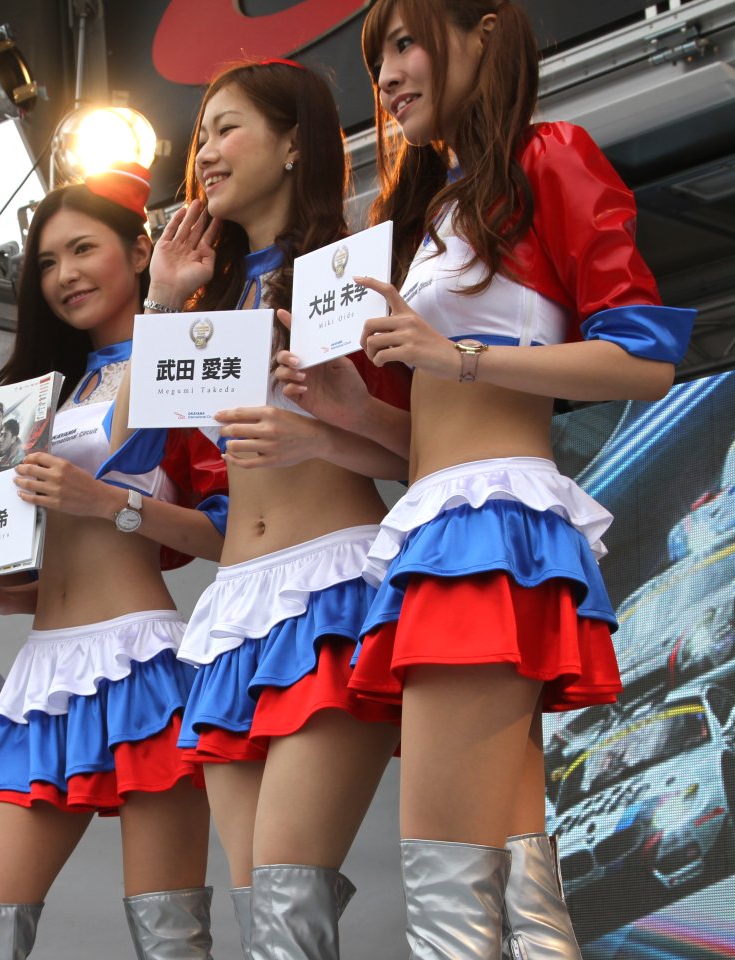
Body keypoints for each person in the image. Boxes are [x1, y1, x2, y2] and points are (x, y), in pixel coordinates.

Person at [337, 1, 696, 956]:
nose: (388, 77)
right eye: (378, 59)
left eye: (404, 44)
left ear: (484, 34)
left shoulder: (549, 158)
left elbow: (643, 360)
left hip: (491, 526)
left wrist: (458, 356)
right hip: (438, 528)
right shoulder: (428, 211)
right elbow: (421, 438)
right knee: (514, 882)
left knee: (448, 881)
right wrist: (333, 409)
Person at [139, 59, 412, 960]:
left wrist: (322, 438)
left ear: (296, 144)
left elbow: (425, 452)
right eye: (201, 136)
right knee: (263, 909)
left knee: (289, 893)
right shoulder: (207, 298)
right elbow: (143, 451)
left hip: (332, 587)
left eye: (228, 128)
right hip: (232, 609)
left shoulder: (351, 272)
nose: (205, 154)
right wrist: (160, 299)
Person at [0, 163, 229, 960]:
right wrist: (1, 595)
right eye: (46, 262)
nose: (63, 275)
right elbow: (45, 543)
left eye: (81, 250)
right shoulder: (38, 394)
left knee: (170, 934)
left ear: (139, 252)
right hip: (45, 667)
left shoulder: (189, 359)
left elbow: (232, 529)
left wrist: (109, 503)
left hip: (140, 661)